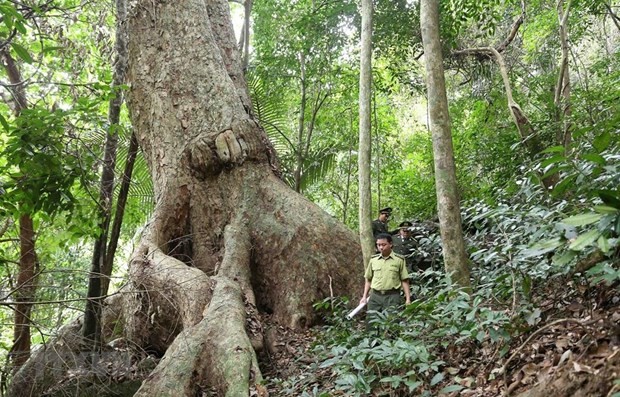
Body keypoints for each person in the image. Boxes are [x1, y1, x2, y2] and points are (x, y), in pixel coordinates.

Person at [360, 233, 411, 327]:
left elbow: (404, 280)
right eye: (378, 245)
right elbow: (368, 280)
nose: (381, 247)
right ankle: (374, 340)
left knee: (392, 323)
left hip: (392, 296)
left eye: (383, 244)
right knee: (371, 323)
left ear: (390, 244)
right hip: (375, 296)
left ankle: (392, 341)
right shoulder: (373, 260)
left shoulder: (399, 260)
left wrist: (408, 299)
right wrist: (364, 296)